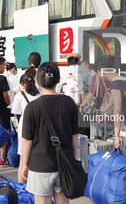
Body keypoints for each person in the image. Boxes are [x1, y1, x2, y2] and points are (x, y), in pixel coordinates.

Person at [22, 62, 79, 204]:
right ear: (58, 80)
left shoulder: (32, 107)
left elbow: (27, 141)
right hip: (64, 163)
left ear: (37, 82)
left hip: (40, 165)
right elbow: (75, 136)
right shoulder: (69, 103)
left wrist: (25, 163)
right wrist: (72, 157)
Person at [11, 73, 40, 183]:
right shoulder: (40, 94)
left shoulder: (20, 95)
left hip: (24, 130)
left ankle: (21, 189)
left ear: (23, 84)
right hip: (38, 130)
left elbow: (17, 114)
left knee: (23, 160)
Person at [80, 68, 111, 138]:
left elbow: (90, 95)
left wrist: (82, 106)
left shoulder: (96, 77)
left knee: (96, 142)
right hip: (111, 117)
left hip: (98, 117)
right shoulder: (113, 77)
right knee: (111, 143)